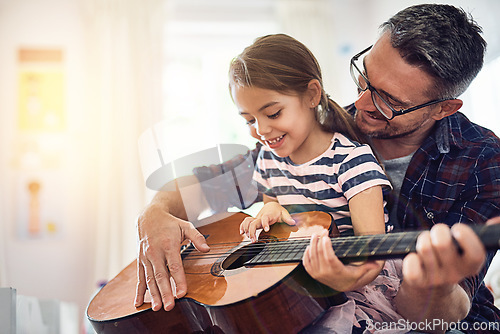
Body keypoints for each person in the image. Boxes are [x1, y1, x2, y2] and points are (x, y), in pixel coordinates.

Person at [135, 3, 500, 332]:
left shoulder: (484, 161)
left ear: (443, 108)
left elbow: (439, 316)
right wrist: (156, 213)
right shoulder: (318, 130)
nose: (361, 102)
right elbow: (205, 185)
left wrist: (425, 283)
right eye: (364, 77)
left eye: (389, 100)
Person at [230, 34, 404, 330]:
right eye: (249, 120)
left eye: (273, 113)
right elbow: (274, 212)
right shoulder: (269, 159)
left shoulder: (352, 162)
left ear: (312, 95)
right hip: (302, 287)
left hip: (361, 287)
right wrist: (267, 214)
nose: (260, 129)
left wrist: (343, 279)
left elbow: (373, 253)